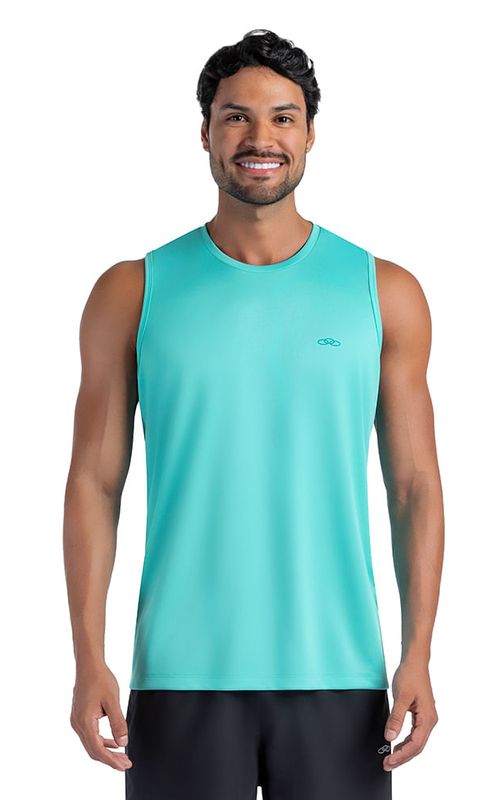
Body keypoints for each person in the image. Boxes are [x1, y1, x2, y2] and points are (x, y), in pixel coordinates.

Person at [64, 28, 444, 799]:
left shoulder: (384, 292)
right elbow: (94, 485)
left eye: (282, 117)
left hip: (342, 676)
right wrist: (87, 657)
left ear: (310, 134)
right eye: (236, 116)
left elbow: (414, 488)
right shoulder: (133, 292)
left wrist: (419, 654)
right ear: (204, 132)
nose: (259, 137)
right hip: (178, 678)